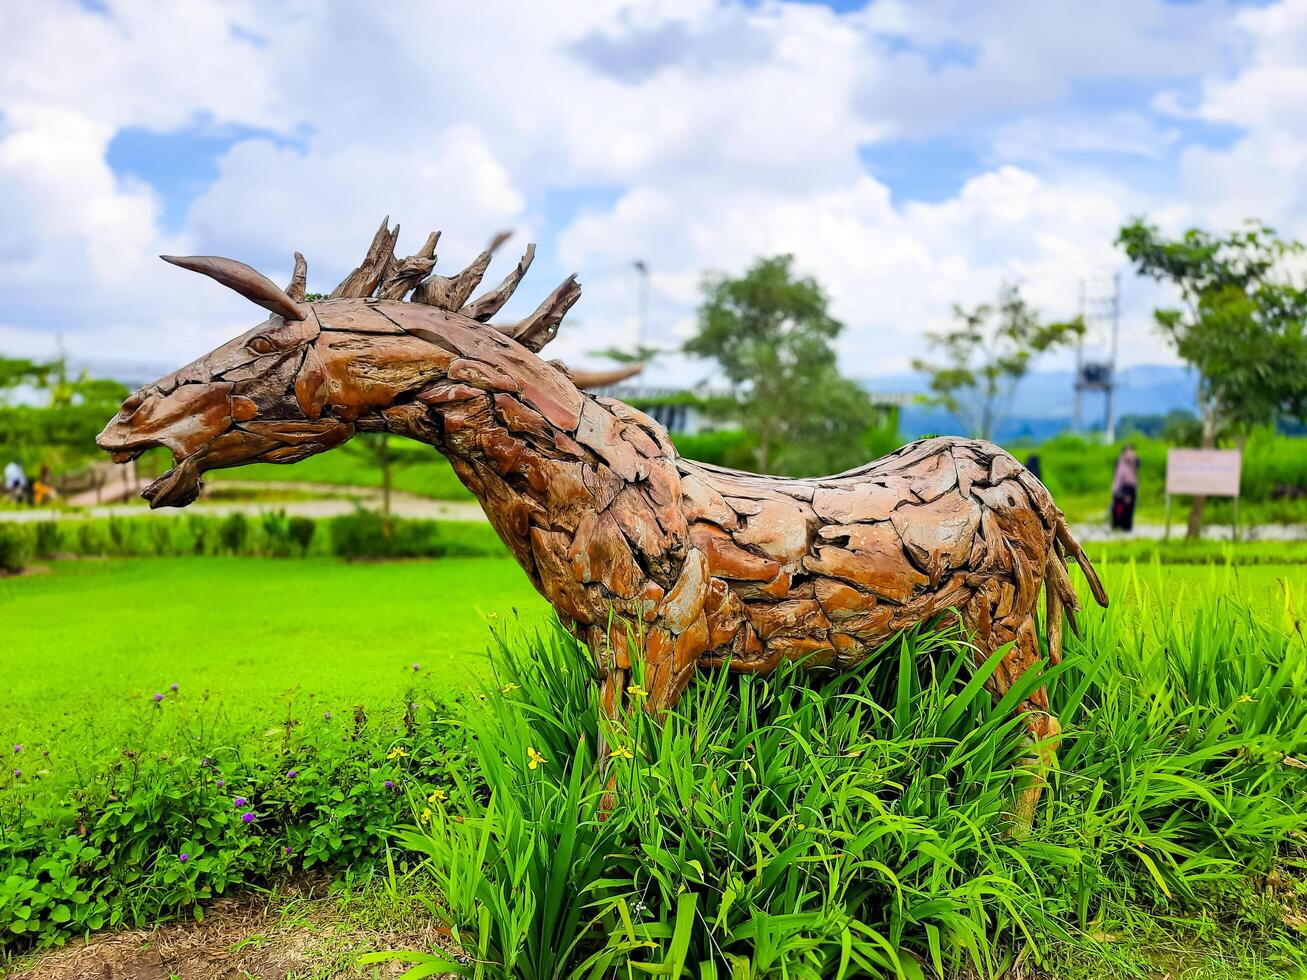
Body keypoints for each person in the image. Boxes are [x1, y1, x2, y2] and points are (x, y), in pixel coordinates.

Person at [1110, 444, 1140, 531]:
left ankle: (1127, 527)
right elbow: (1118, 477)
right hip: (1124, 488)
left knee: (1130, 508)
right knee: (1122, 508)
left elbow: (1137, 466)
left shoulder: (1133, 462)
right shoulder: (1121, 462)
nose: (1131, 453)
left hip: (1132, 488)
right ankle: (1120, 526)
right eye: (1129, 451)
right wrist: (1116, 490)